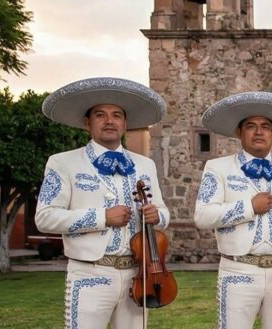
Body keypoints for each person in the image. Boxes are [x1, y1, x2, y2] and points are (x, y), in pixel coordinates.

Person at [35, 77, 171, 329]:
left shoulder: (145, 164)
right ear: (88, 122)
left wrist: (157, 216)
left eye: (117, 115)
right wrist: (102, 217)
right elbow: (45, 217)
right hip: (90, 273)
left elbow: (163, 212)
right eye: (100, 115)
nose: (110, 121)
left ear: (125, 123)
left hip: (138, 274)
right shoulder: (63, 162)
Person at [193, 91, 272, 329]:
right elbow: (203, 216)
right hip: (239, 269)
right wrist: (249, 207)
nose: (259, 131)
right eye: (251, 126)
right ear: (240, 132)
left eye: (265, 126)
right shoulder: (218, 167)